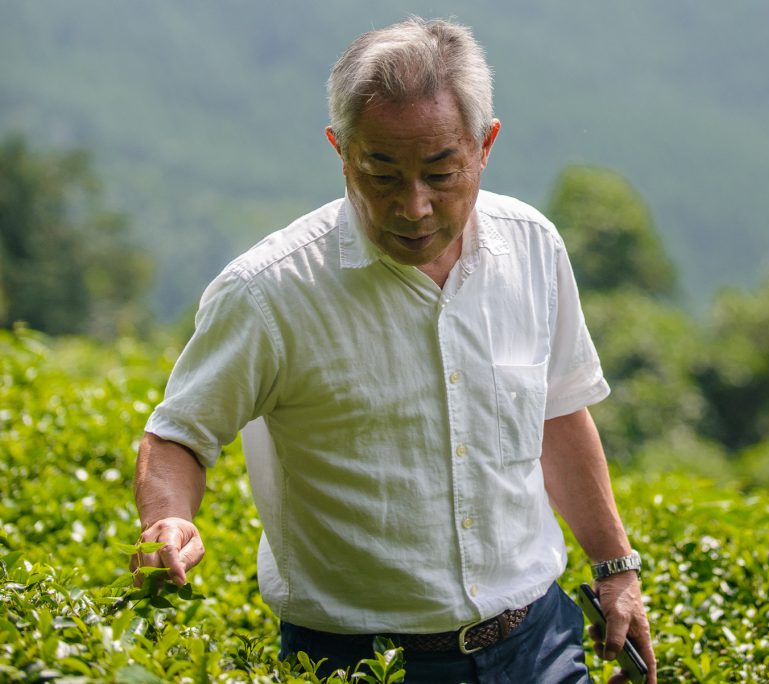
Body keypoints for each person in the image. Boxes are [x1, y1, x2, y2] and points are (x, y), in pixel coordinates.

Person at [132, 16, 656, 683]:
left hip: (538, 644)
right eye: (382, 175)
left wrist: (615, 568)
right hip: (359, 661)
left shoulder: (532, 247)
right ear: (341, 151)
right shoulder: (269, 293)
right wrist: (168, 521)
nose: (413, 208)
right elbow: (179, 432)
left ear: (485, 145)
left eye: (442, 173)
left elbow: (558, 413)